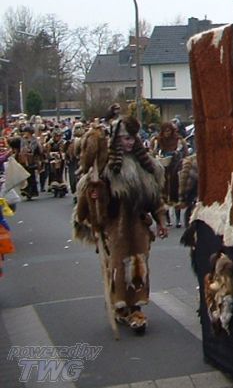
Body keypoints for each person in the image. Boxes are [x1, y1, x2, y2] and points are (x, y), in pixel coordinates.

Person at [73, 115, 168, 333]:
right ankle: (121, 307)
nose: (130, 142)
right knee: (118, 265)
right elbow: (91, 202)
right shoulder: (105, 167)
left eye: (132, 138)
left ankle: (135, 307)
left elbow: (155, 199)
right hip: (115, 226)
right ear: (117, 140)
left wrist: (161, 221)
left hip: (139, 226)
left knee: (139, 265)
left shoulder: (147, 166)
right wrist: (96, 195)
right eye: (125, 138)